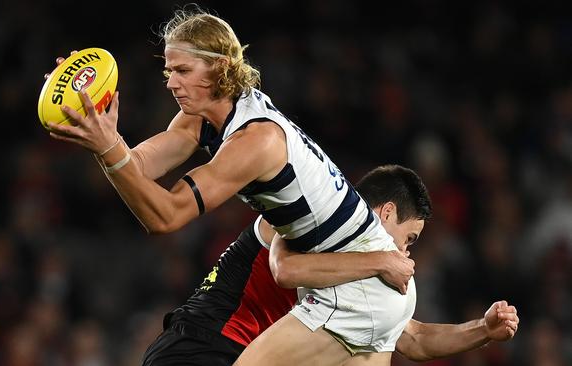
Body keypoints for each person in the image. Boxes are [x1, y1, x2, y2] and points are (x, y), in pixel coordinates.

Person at [44, 6, 513, 365]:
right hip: (363, 287)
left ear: (220, 67)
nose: (171, 82)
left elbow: (165, 215)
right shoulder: (207, 117)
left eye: (182, 70)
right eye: (168, 70)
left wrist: (109, 149)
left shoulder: (257, 140)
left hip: (358, 288)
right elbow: (138, 165)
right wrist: (95, 127)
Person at [141, 164, 519, 366]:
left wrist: (482, 330)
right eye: (409, 239)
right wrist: (381, 260)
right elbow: (284, 270)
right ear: (385, 212)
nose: (406, 253)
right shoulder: (315, 213)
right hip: (201, 344)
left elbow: (413, 339)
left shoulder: (363, 279)